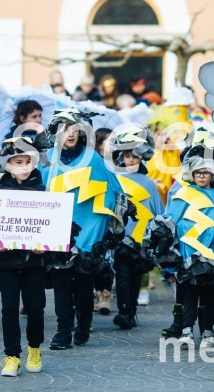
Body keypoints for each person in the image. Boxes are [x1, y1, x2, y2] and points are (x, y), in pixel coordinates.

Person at [41, 108, 124, 349]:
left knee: (84, 285)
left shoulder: (94, 159)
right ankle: (62, 332)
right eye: (63, 129)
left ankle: (84, 325)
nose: (69, 133)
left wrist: (105, 233)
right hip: (57, 231)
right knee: (61, 284)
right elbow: (35, 192)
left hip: (89, 234)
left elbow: (112, 194)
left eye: (74, 129)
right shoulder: (48, 158)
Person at [0, 137, 49, 376]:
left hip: (34, 261)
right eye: (19, 161)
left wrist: (46, 246)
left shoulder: (44, 191)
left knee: (35, 308)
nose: (24, 166)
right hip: (6, 261)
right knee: (8, 309)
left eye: (28, 161)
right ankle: (11, 356)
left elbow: (54, 227)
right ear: (8, 165)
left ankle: (35, 348)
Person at [164, 145, 214, 348]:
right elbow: (171, 221)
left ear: (212, 174)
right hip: (189, 251)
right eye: (198, 172)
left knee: (210, 294)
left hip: (213, 252)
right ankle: (186, 330)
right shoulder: (183, 193)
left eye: (205, 172)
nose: (201, 176)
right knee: (189, 291)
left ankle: (208, 330)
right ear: (192, 173)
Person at [111, 126, 163, 329]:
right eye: (127, 155)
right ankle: (124, 311)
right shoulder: (115, 179)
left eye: (134, 155)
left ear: (141, 157)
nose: (131, 159)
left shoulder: (149, 183)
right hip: (121, 234)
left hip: (141, 237)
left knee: (135, 276)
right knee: (122, 276)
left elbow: (157, 210)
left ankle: (131, 311)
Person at [92, 127, 114, 316]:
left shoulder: (116, 163)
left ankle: (104, 296)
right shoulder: (91, 162)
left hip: (107, 214)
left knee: (106, 259)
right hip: (93, 214)